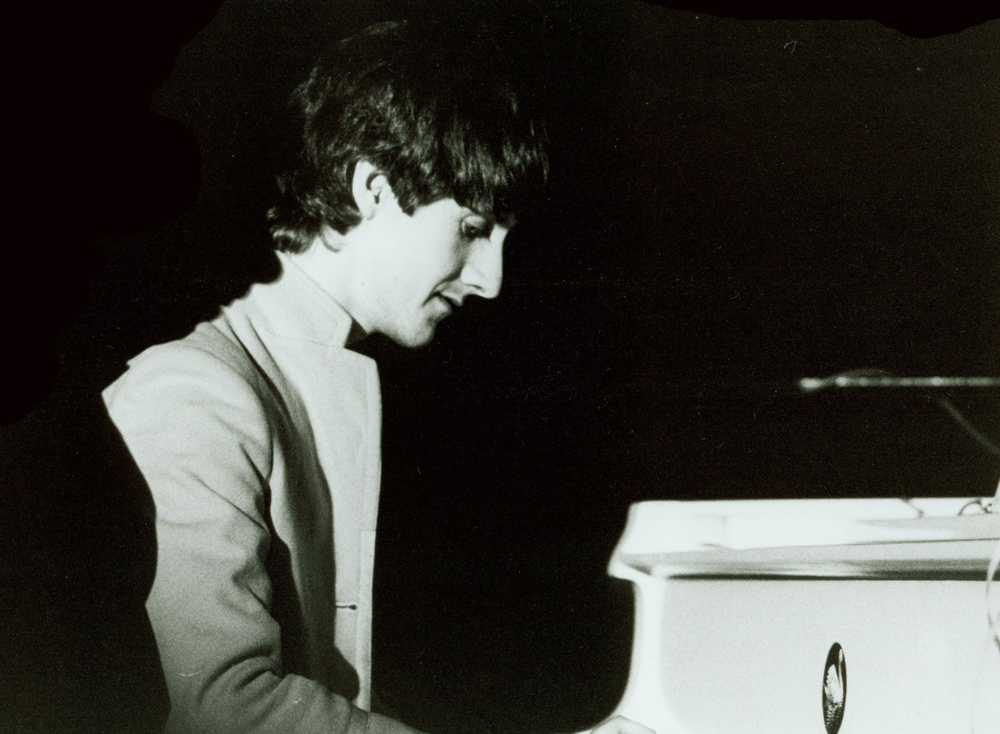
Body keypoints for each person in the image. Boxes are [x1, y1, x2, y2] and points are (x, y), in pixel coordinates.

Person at [103, 18, 653, 734]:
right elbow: (225, 708)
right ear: (373, 188)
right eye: (472, 229)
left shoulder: (309, 372)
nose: (491, 280)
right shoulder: (193, 392)